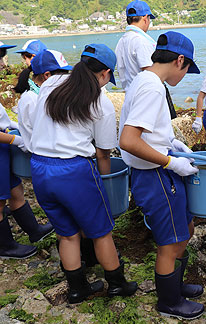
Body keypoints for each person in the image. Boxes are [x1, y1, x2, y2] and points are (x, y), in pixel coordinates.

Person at [30, 45, 137, 304]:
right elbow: (102, 153)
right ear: (105, 73)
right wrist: (104, 186)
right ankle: (117, 283)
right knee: (101, 231)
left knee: (66, 233)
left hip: (40, 168)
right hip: (74, 172)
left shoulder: (51, 83)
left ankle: (77, 289)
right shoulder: (100, 101)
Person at [119, 31, 204, 319]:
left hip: (158, 170)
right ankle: (169, 302)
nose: (185, 75)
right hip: (154, 174)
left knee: (184, 230)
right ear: (179, 60)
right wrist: (170, 161)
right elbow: (129, 140)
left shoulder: (143, 80)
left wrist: (170, 142)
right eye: (187, 69)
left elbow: (147, 129)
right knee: (170, 242)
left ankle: (176, 287)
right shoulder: (153, 87)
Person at [0, 43, 54, 260]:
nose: (3, 63)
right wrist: (15, 139)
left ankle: (34, 230)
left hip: (4, 147)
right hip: (3, 145)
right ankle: (5, 246)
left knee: (15, 191)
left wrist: (9, 129)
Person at [13, 50, 60, 152]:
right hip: (44, 155)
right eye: (61, 75)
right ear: (47, 75)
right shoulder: (32, 99)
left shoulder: (39, 94)